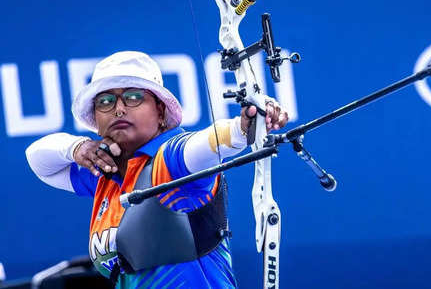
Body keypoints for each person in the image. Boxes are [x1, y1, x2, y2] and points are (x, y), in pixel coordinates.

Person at [25, 51, 288, 288]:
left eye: (133, 97)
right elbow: (38, 160)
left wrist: (243, 128)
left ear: (160, 111)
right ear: (96, 119)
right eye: (105, 101)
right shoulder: (103, 172)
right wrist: (77, 147)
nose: (118, 109)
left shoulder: (170, 161)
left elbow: (207, 144)